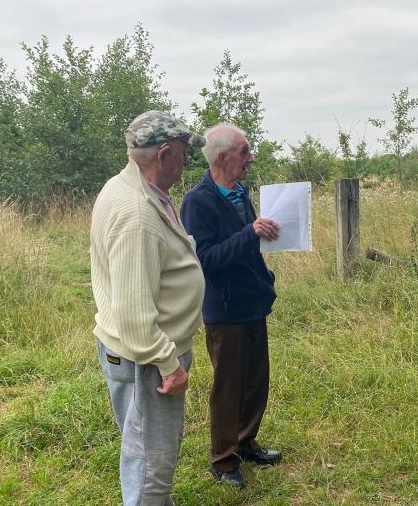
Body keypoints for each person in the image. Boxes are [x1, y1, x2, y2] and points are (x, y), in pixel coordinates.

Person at [91, 110, 206, 506]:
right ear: (163, 153)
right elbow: (134, 315)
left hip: (142, 357)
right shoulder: (137, 212)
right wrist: (169, 364)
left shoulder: (130, 190)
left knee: (146, 452)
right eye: (184, 154)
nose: (187, 163)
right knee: (150, 461)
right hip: (149, 362)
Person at [180, 123, 281, 489]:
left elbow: (249, 243)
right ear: (222, 157)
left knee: (256, 380)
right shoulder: (197, 202)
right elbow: (204, 259)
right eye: (245, 151)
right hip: (224, 310)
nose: (251, 158)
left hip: (254, 301)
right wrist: (249, 233)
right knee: (229, 386)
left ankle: (246, 442)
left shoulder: (241, 193)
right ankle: (223, 460)